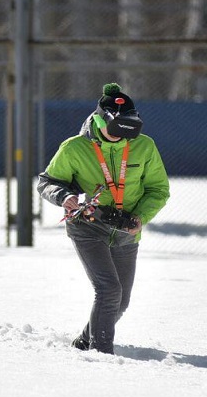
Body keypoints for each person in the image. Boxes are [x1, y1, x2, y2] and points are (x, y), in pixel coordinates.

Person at [37, 82, 170, 354]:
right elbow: (47, 181)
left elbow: (159, 189)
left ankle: (85, 341)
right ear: (99, 120)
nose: (121, 138)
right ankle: (101, 353)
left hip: (126, 230)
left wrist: (140, 218)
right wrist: (64, 196)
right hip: (87, 227)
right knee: (109, 290)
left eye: (127, 132)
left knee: (121, 301)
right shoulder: (74, 148)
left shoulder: (144, 147)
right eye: (115, 131)